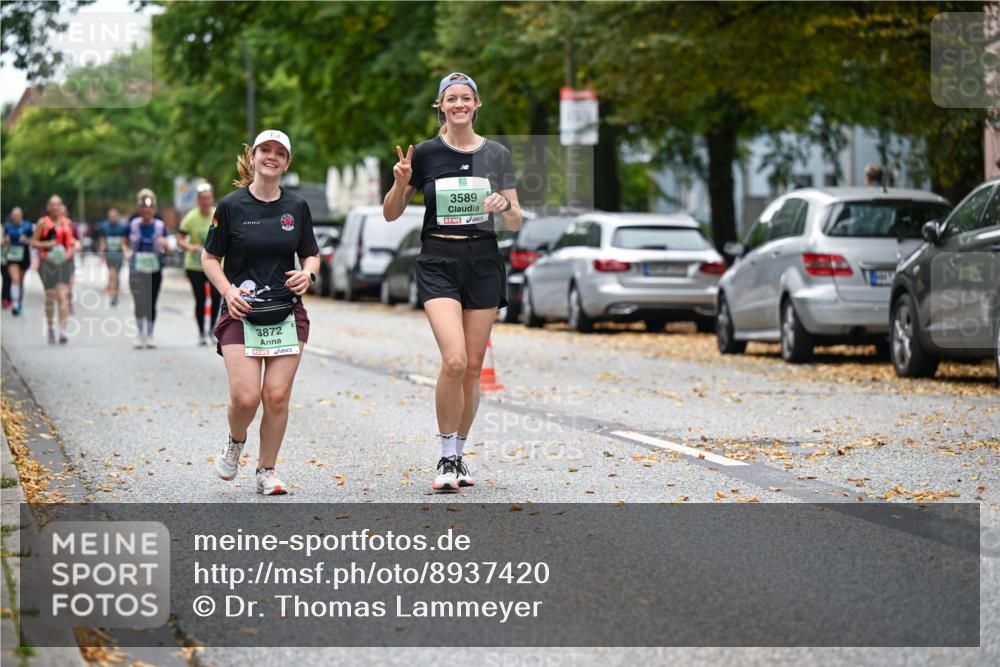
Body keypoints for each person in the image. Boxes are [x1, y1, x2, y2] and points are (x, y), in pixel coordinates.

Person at [383, 72, 522, 492]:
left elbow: (515, 218)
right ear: (440, 106)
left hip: (482, 260)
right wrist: (401, 182)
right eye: (451, 99)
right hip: (438, 260)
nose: (459, 104)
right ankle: (445, 456)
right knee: (455, 360)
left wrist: (503, 205)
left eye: (466, 98)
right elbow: (391, 213)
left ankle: (458, 455)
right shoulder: (424, 154)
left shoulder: (497, 154)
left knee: (473, 369)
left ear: (477, 105)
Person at [202, 130, 320, 495]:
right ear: (252, 157)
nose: (272, 156)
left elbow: (310, 252)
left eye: (280, 152)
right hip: (241, 312)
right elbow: (209, 257)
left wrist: (308, 273)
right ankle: (236, 441)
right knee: (246, 397)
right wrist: (227, 290)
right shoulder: (231, 206)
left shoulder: (296, 207)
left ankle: (266, 470)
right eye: (265, 150)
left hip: (285, 312)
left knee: (277, 396)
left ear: (287, 162)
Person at [178, 182, 222, 345]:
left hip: (215, 264)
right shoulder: (191, 217)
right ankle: (201, 333)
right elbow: (179, 239)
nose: (206, 201)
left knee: (217, 297)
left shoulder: (218, 214)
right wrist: (190, 246)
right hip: (195, 265)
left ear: (212, 198)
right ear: (198, 200)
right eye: (203, 198)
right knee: (201, 299)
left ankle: (211, 330)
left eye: (208, 198)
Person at [128, 189, 170, 349]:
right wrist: (126, 250)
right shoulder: (133, 222)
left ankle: (150, 334)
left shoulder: (160, 225)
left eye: (150, 208)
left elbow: (167, 250)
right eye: (144, 208)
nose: (147, 211)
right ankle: (140, 334)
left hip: (154, 268)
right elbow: (126, 241)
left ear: (153, 209)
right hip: (136, 268)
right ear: (139, 208)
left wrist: (165, 245)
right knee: (139, 302)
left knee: (151, 301)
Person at [31, 195, 76, 344]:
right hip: (47, 264)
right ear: (48, 207)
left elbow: (70, 243)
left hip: (63, 263)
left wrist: (70, 252)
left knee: (63, 296)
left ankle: (62, 331)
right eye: (52, 204)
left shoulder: (67, 222)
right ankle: (50, 327)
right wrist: (47, 245)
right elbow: (34, 242)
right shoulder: (43, 223)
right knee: (50, 297)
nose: (55, 207)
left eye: (58, 204)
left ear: (61, 207)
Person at [3, 207, 34, 316]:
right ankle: (15, 305)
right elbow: (4, 241)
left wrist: (26, 240)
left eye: (17, 215)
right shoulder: (8, 226)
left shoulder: (28, 226)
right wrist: (5, 241)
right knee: (14, 279)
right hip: (12, 255)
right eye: (14, 215)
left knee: (20, 281)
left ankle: (19, 301)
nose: (15, 217)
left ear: (21, 215)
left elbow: (34, 241)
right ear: (12, 216)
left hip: (24, 255)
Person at [98, 208, 128, 306]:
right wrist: (101, 252)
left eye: (114, 216)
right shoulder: (104, 226)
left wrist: (125, 252)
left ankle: (115, 294)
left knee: (116, 275)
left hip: (119, 254)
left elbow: (124, 241)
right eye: (110, 216)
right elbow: (102, 240)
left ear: (117, 216)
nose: (112, 218)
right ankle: (113, 295)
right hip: (109, 254)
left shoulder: (122, 227)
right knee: (112, 273)